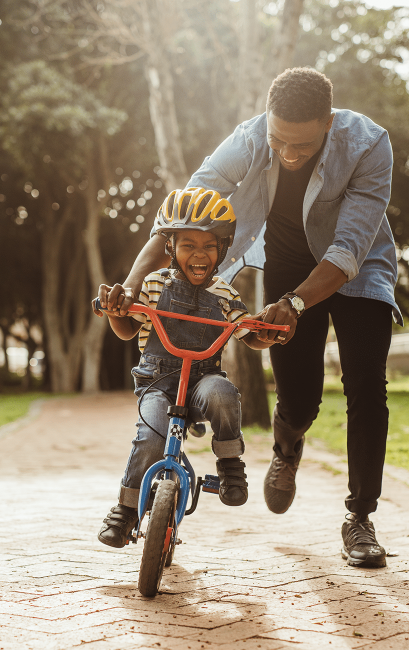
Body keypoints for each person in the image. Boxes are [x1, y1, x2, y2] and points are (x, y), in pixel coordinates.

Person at [105, 67, 402, 568]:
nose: (288, 154)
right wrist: (132, 284)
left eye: (302, 145)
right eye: (279, 140)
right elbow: (184, 211)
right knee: (301, 397)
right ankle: (288, 444)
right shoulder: (249, 137)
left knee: (366, 386)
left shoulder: (369, 145)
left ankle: (360, 517)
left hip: (359, 267)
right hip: (288, 261)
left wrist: (297, 305)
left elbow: (349, 247)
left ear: (328, 123)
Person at [95, 187, 275, 549]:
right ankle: (126, 509)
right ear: (170, 248)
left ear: (222, 250)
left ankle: (229, 464)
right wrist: (116, 312)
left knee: (224, 395)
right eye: (188, 245)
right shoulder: (152, 284)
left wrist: (267, 333)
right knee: (151, 435)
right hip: (157, 383)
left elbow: (247, 333)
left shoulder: (225, 294)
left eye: (209, 246)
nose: (199, 254)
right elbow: (129, 328)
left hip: (202, 380)